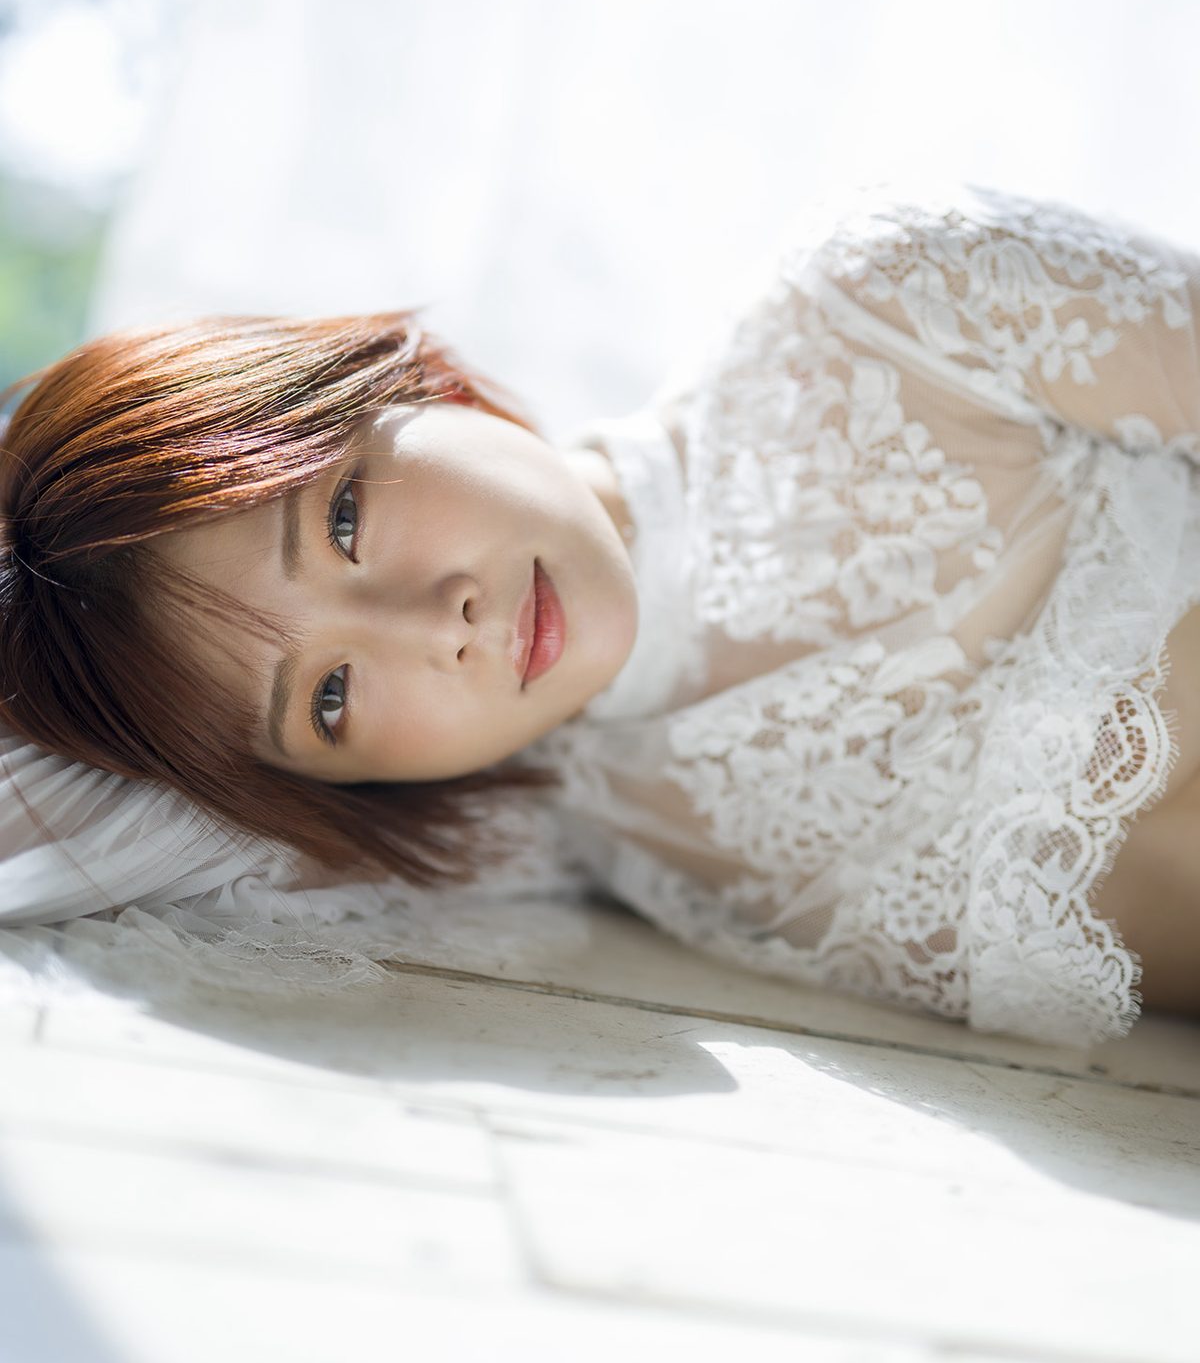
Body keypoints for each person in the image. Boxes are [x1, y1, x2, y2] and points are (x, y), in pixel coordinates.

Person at [4, 177, 1200, 1046]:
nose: (436, 628)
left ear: (391, 384)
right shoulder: (559, 829)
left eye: (346, 522)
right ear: (342, 777)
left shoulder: (892, 306)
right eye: (329, 696)